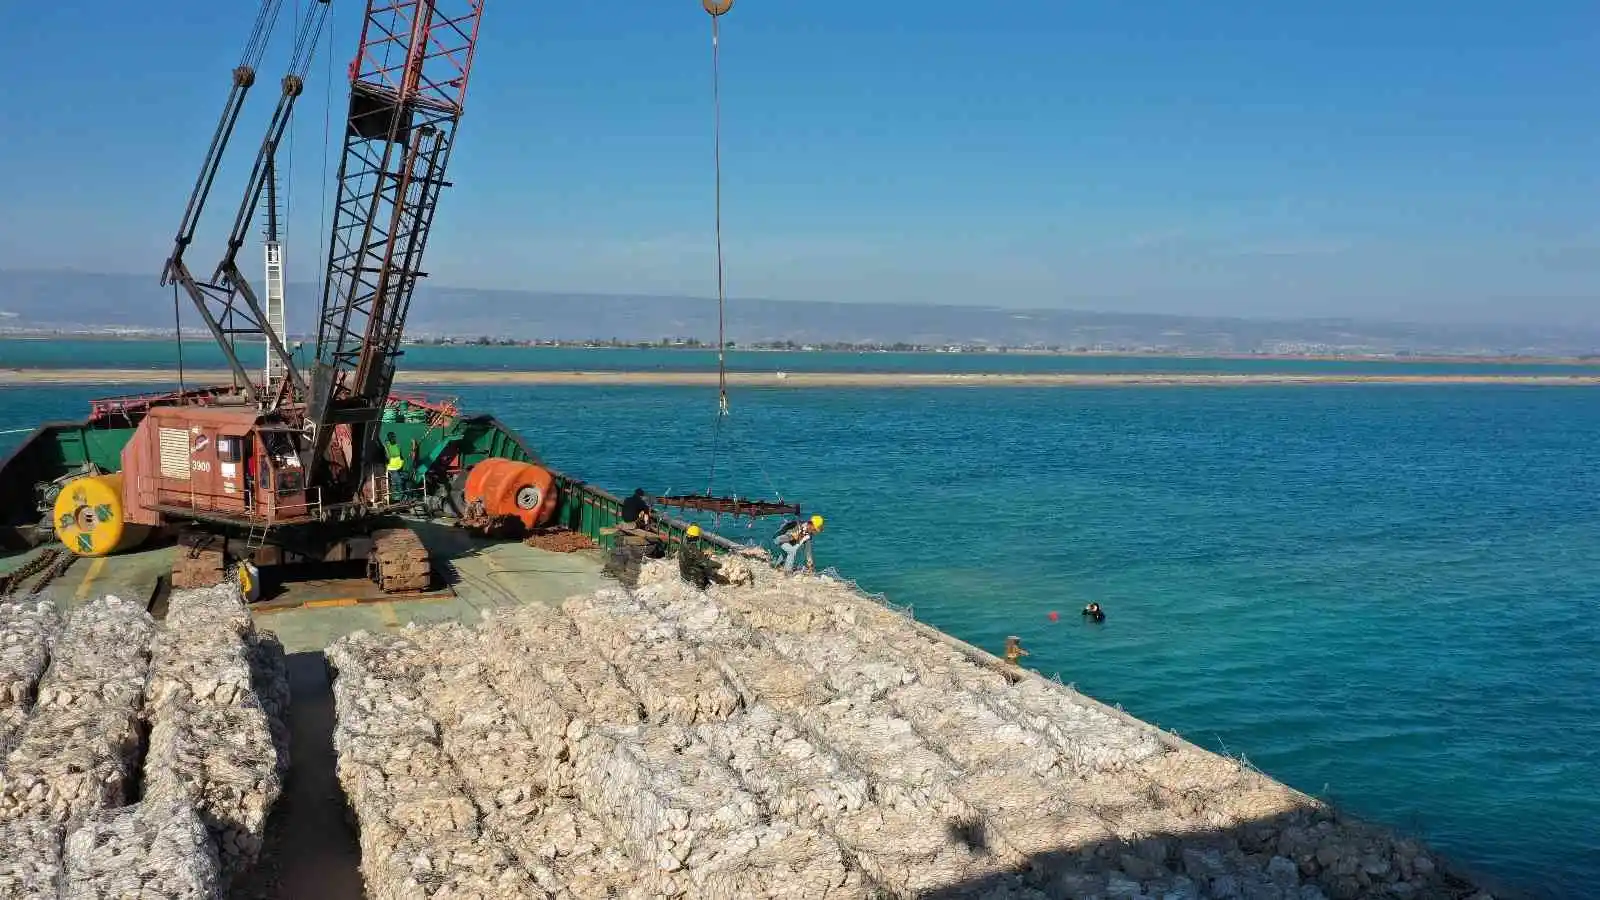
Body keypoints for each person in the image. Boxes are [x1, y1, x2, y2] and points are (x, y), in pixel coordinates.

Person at [678, 524, 724, 590]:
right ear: (696, 537)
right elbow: (706, 563)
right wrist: (720, 565)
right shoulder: (693, 550)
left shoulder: (683, 545)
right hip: (693, 579)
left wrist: (703, 555)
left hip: (683, 574)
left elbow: (692, 558)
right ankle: (702, 587)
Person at [383, 431, 406, 498]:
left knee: (402, 478)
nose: (394, 438)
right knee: (397, 480)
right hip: (391, 467)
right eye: (392, 437)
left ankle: (402, 496)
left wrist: (402, 462)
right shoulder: (386, 446)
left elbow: (400, 455)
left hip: (399, 467)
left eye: (394, 437)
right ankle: (396, 496)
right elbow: (387, 456)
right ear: (389, 438)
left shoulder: (397, 445)